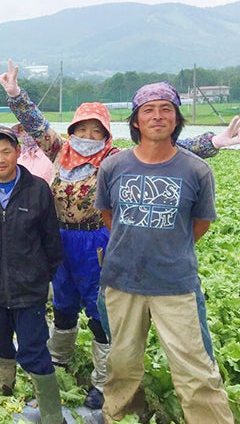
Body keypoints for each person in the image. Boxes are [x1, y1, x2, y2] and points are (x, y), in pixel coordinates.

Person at [0, 60, 240, 409]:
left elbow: (166, 150)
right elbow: (36, 125)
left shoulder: (115, 158)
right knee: (62, 304)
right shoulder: (60, 151)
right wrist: (15, 94)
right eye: (82, 130)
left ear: (108, 135)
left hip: (97, 242)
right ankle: (59, 360)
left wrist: (215, 140)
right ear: (73, 131)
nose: (87, 138)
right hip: (58, 240)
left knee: (100, 311)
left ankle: (100, 379)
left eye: (97, 132)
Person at [94, 82, 234, 423]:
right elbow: (109, 217)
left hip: (175, 284)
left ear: (176, 119)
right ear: (136, 121)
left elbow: (200, 224)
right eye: (148, 110)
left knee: (195, 369)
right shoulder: (114, 167)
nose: (158, 116)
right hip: (121, 281)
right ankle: (122, 416)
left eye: (166, 109)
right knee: (122, 364)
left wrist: (168, 247)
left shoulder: (195, 169)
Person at [0, 125, 65, 424]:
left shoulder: (37, 189)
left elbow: (51, 240)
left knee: (34, 348)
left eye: (7, 151)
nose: (1, 158)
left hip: (28, 288)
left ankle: (53, 415)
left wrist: (43, 276)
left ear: (18, 152)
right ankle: (3, 395)